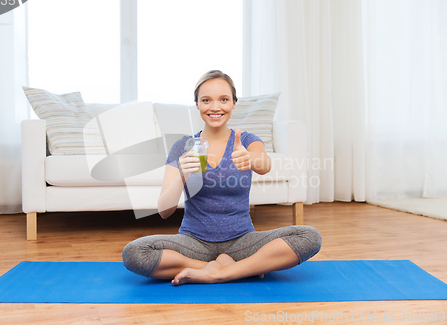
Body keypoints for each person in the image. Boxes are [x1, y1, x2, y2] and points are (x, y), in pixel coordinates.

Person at [122, 70, 321, 285]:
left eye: (223, 99)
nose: (215, 107)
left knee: (309, 236)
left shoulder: (246, 140)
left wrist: (250, 158)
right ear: (197, 105)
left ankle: (219, 273)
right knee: (135, 253)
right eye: (206, 100)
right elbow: (164, 211)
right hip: (193, 242)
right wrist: (182, 176)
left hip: (242, 241)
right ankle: (233, 268)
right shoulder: (183, 146)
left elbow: (265, 165)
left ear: (234, 103)